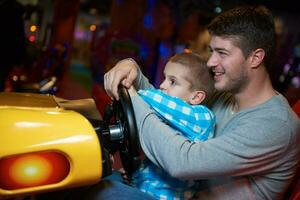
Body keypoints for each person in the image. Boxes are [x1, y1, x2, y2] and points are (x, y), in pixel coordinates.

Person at [103, 5, 300, 200]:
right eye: (211, 51)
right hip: (180, 192)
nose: (210, 62)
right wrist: (131, 69)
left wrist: (135, 99)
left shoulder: (276, 124)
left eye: (222, 53)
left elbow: (183, 162)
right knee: (94, 176)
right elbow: (169, 104)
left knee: (98, 192)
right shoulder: (225, 96)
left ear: (255, 58)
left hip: (181, 188)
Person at [131, 52, 215, 200]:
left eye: (173, 82)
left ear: (196, 97)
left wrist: (134, 93)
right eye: (164, 78)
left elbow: (159, 100)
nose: (162, 85)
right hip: (143, 187)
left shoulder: (202, 118)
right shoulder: (169, 116)